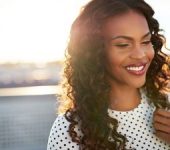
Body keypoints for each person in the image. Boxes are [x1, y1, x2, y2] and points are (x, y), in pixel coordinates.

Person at [47, 0, 170, 149]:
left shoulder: (167, 104)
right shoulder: (69, 130)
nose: (140, 54)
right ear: (94, 52)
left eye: (145, 41)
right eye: (123, 45)